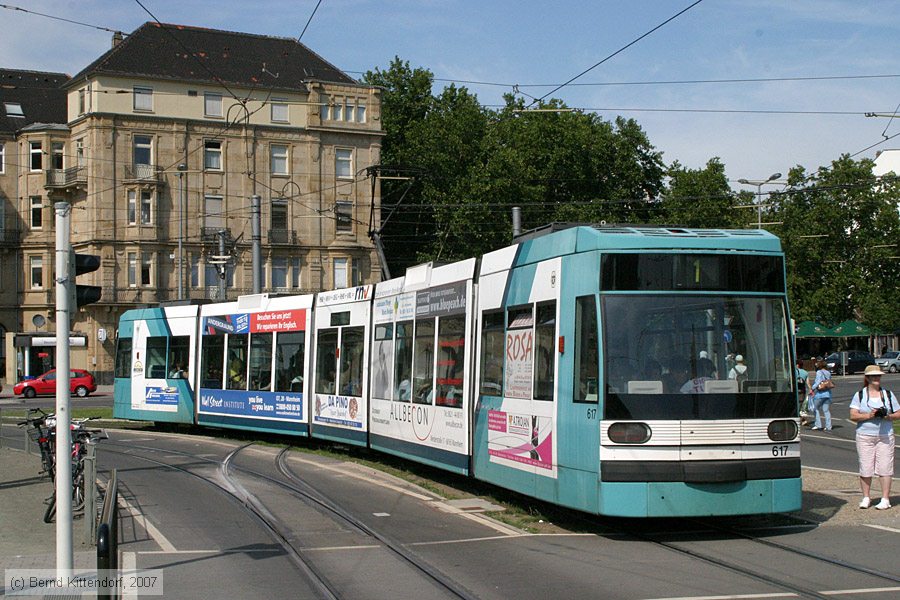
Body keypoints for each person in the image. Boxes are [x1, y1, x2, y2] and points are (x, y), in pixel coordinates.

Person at [849, 365, 899, 510]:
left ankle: (885, 498)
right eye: (874, 376)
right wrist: (869, 415)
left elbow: (898, 413)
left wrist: (887, 416)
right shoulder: (860, 395)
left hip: (885, 435)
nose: (877, 378)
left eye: (879, 376)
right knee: (866, 467)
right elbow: (853, 415)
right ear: (868, 378)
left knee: (885, 467)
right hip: (865, 435)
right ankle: (866, 497)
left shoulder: (888, 395)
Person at [810, 358, 834, 431]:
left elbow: (818, 382)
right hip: (828, 393)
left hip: (820, 394)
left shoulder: (819, 372)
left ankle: (818, 424)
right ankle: (828, 426)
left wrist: (812, 388)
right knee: (826, 410)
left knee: (815, 408)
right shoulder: (828, 372)